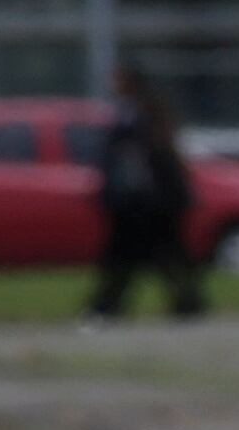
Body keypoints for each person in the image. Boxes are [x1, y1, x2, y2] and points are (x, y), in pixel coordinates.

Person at [85, 71, 202, 324]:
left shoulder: (136, 117)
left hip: (145, 202)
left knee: (129, 255)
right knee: (163, 255)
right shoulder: (150, 115)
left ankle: (108, 305)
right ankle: (187, 301)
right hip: (154, 201)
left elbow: (133, 159)